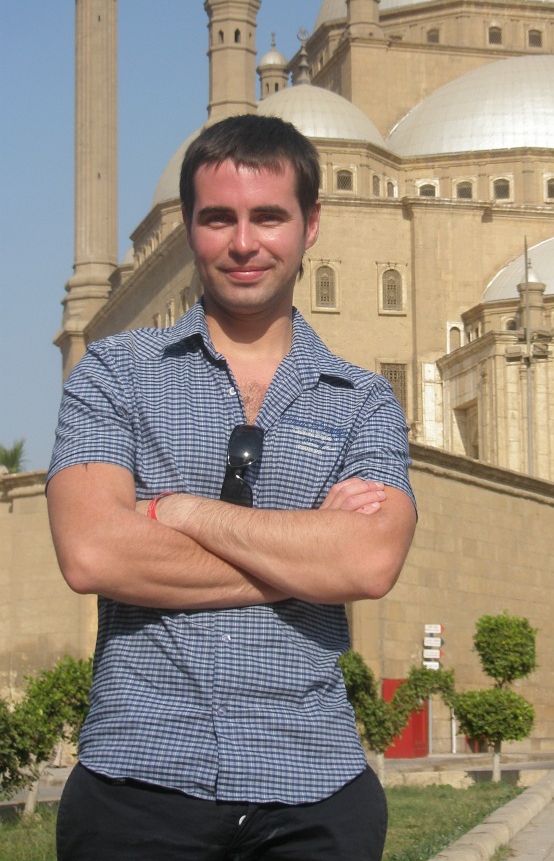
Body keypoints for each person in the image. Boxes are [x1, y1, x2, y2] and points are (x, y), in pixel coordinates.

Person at [47, 113, 417, 861]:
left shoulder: (362, 399)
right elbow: (93, 554)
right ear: (189, 227)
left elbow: (369, 562)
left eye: (268, 217)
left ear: (311, 225)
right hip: (136, 782)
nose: (244, 243)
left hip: (314, 792)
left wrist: (178, 512)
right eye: (219, 218)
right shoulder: (116, 373)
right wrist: (309, 554)